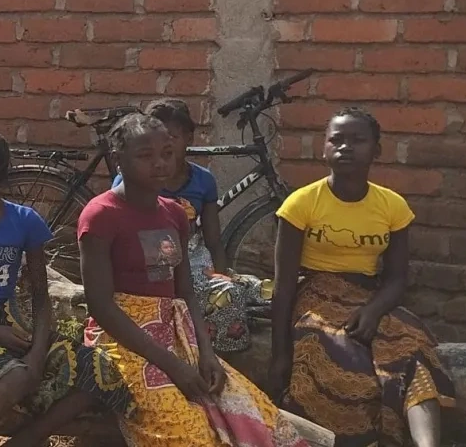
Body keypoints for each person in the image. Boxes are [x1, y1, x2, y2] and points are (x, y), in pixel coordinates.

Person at [78, 114, 309, 447]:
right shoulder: (101, 215)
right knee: (188, 432)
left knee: (258, 419)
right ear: (118, 161)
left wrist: (206, 354)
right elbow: (101, 306)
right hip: (122, 339)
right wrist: (173, 365)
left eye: (167, 154)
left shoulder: (174, 213)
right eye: (145, 156)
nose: (159, 164)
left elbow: (184, 289)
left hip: (176, 331)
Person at [0, 127, 133, 447]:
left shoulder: (25, 221)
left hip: (9, 324)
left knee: (102, 370)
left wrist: (36, 351)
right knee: (17, 377)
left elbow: (40, 296)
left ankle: (26, 440)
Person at [270, 108, 455, 447]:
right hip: (316, 294)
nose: (345, 148)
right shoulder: (300, 204)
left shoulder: (392, 206)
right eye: (336, 140)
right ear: (323, 148)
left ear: (377, 150)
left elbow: (398, 278)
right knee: (339, 358)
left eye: (357, 140)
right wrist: (280, 354)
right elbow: (282, 286)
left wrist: (372, 312)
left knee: (414, 351)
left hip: (371, 296)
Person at [112, 98, 268, 353]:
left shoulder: (202, 181)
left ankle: (215, 352)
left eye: (172, 137)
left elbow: (213, 239)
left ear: (188, 138)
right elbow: (126, 230)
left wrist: (221, 274)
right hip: (146, 255)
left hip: (192, 255)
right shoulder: (133, 178)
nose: (164, 147)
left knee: (236, 292)